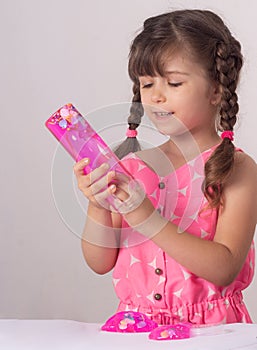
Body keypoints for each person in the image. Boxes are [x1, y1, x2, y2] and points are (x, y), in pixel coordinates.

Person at [74, 9, 257, 325]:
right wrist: (97, 207)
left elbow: (225, 267)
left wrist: (146, 217)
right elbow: (100, 262)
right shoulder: (133, 167)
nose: (156, 96)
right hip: (138, 330)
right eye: (146, 84)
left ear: (216, 89)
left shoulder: (235, 168)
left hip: (212, 333)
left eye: (173, 83)